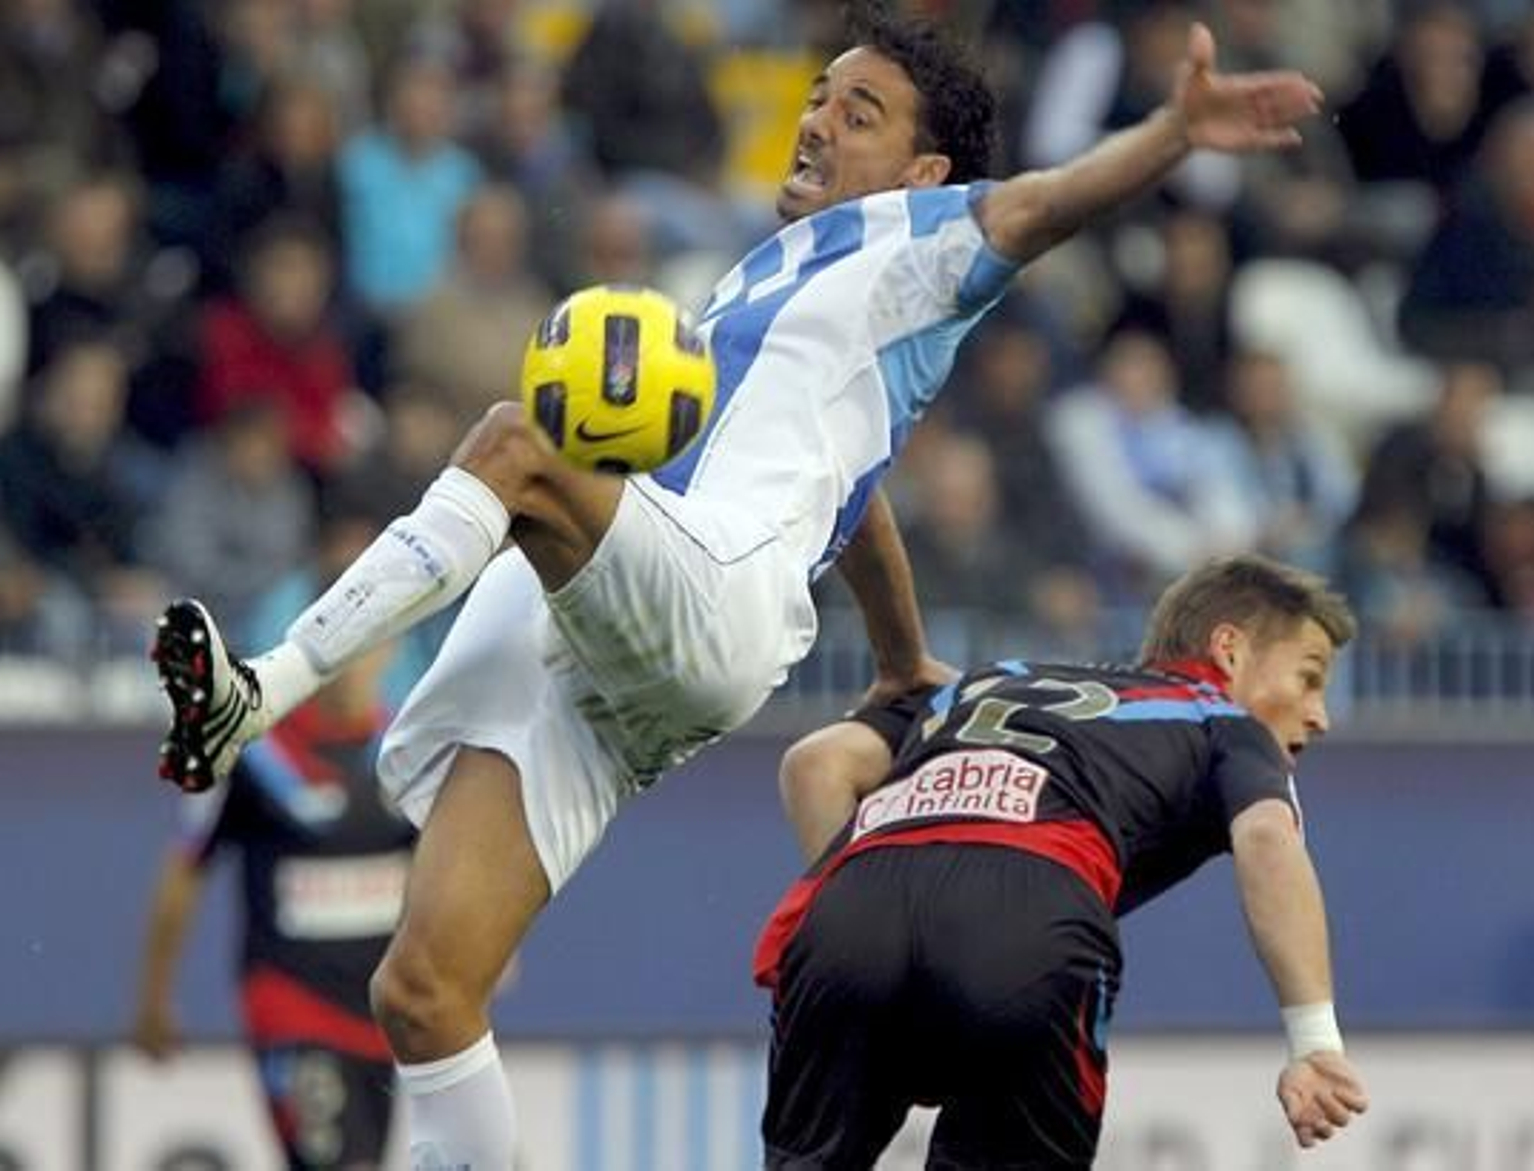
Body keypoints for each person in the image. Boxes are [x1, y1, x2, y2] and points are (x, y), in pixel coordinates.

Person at [150, 10, 1323, 1166]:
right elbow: (846, 492)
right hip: (614, 637)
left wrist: (1170, 133)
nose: (815, 119)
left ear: (920, 171)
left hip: (702, 592)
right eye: (818, 93)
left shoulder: (917, 239)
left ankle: (256, 692)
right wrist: (901, 657)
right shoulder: (787, 287)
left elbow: (1038, 205)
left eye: (856, 112)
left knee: (518, 446)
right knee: (421, 991)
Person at [761, 555, 1370, 1167]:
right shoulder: (1224, 721)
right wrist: (1315, 1041)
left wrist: (877, 909)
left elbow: (816, 763)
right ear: (1229, 650)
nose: (1320, 715)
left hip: (851, 911)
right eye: (1309, 677)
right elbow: (1267, 838)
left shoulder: (985, 684)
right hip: (1029, 913)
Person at [132, 641, 412, 1170]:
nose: (351, 667)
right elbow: (184, 870)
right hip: (293, 1005)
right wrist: (154, 997)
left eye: (367, 648)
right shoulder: (253, 755)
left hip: (386, 1016)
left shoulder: (408, 745)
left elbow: (446, 857)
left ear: (386, 653)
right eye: (340, 651)